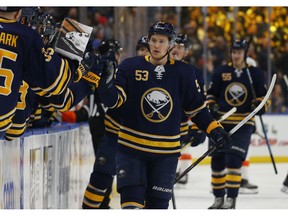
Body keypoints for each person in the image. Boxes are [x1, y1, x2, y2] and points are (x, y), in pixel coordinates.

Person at [97, 21, 232, 209]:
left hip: (165, 156)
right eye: (153, 40)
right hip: (131, 151)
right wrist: (104, 85)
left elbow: (197, 110)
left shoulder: (184, 72)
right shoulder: (130, 66)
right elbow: (114, 101)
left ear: (171, 44)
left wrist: (215, 130)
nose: (156, 45)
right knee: (132, 207)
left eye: (161, 41)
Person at [0, 7, 101, 138]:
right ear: (21, 16)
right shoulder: (27, 39)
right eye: (41, 28)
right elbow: (60, 97)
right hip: (12, 130)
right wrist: (81, 72)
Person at [206, 38, 270, 209]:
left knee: (233, 160)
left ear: (245, 53)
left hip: (243, 122)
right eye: (234, 52)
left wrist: (259, 105)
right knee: (217, 161)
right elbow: (211, 93)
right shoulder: (221, 71)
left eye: (239, 52)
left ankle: (231, 199)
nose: (236, 55)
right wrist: (211, 106)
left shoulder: (255, 73)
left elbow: (263, 96)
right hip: (220, 121)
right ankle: (218, 198)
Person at [169, 33, 207, 185]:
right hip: (159, 121)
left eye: (180, 47)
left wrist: (198, 127)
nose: (175, 49)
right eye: (174, 45)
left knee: (180, 149)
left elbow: (200, 102)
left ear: (186, 52)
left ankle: (180, 173)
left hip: (182, 122)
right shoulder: (156, 67)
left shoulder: (193, 72)